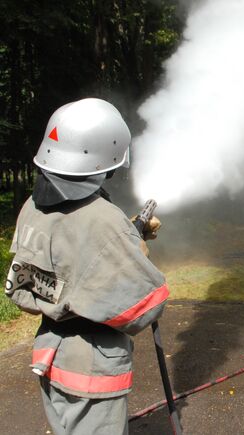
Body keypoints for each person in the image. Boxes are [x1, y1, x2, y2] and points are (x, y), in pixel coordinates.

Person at [4, 98, 168, 434]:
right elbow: (145, 308)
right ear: (106, 157)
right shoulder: (103, 220)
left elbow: (45, 277)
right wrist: (135, 248)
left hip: (50, 358)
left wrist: (126, 235)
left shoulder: (32, 207)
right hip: (92, 371)